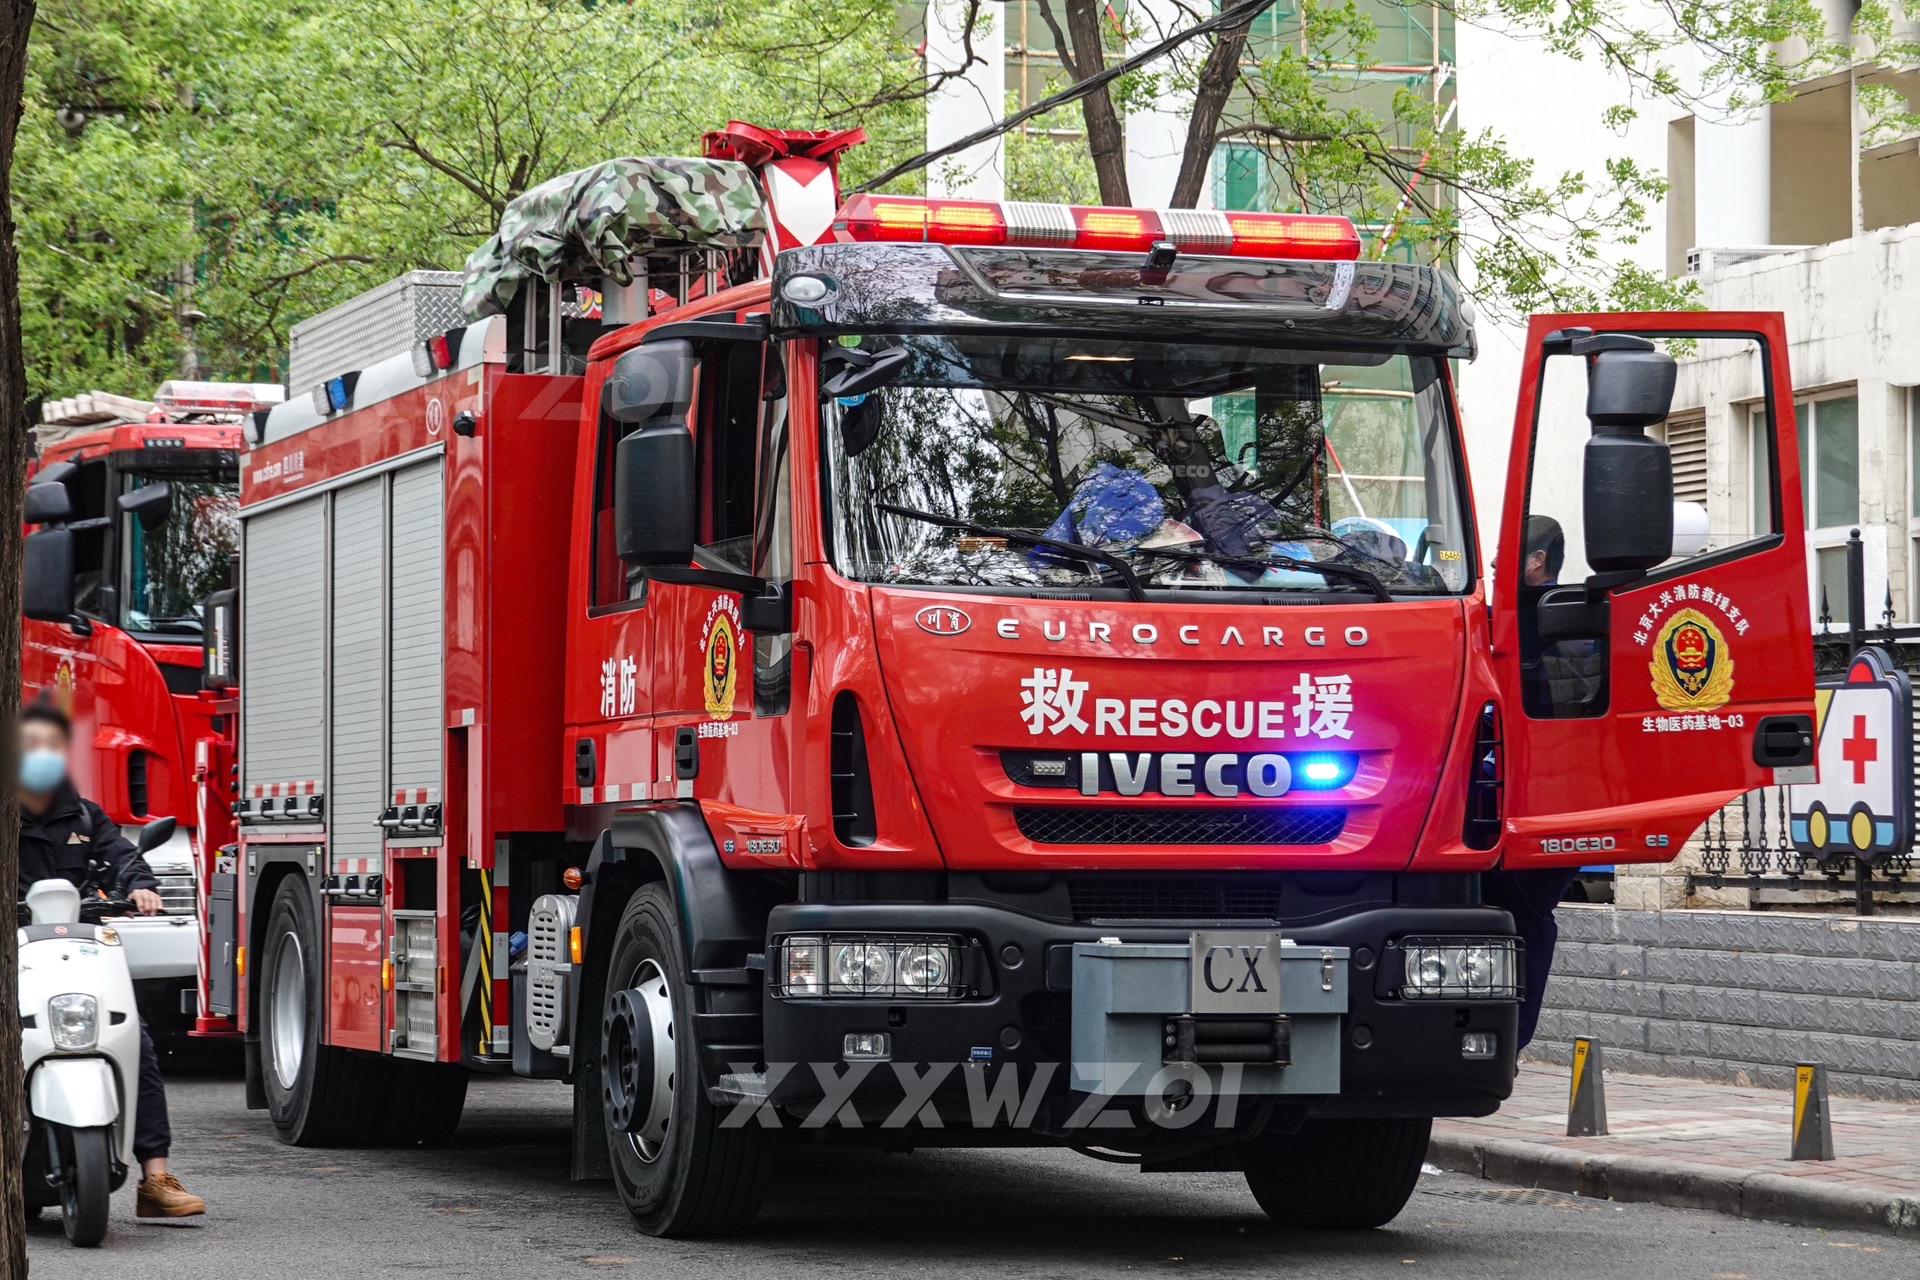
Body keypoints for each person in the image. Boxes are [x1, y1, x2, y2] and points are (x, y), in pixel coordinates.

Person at [16, 698, 208, 1219]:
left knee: (135, 1042)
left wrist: (141, 887)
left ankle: (155, 1177)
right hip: (15, 955)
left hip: (74, 952)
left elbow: (123, 859)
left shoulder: (83, 815)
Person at [1485, 514, 1590, 1048]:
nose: (1496, 570)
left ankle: (1511, 1039)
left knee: (1520, 913)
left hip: (1545, 799)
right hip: (1543, 795)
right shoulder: (1571, 619)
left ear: (1536, 561)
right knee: (1521, 913)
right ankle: (1508, 1038)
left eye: (1505, 561)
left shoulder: (1547, 620)